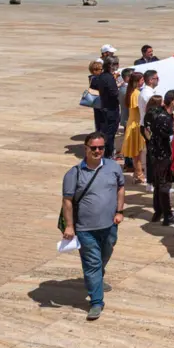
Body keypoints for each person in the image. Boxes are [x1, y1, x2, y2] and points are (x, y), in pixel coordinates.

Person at [61, 131, 125, 321]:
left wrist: (120, 211)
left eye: (101, 147)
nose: (98, 151)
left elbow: (121, 187)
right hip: (85, 228)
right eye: (94, 148)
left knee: (105, 254)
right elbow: (67, 201)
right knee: (92, 263)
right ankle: (96, 301)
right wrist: (69, 226)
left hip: (110, 225)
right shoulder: (74, 173)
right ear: (86, 149)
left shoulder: (113, 167)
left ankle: (97, 279)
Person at [142, 89, 174, 226]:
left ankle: (159, 211)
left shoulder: (153, 114)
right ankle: (167, 214)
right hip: (163, 155)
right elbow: (170, 138)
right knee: (164, 185)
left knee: (158, 184)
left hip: (154, 154)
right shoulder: (164, 118)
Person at [89, 57, 121, 159]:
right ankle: (108, 155)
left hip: (104, 108)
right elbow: (114, 93)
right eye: (116, 64)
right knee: (110, 134)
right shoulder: (109, 77)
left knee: (105, 132)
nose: (117, 65)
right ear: (110, 65)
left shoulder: (102, 76)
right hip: (111, 109)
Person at [120, 71, 146, 184]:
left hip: (133, 122)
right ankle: (139, 174)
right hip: (136, 124)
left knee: (137, 152)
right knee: (137, 153)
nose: (143, 82)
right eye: (141, 80)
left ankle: (137, 173)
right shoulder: (136, 94)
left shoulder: (132, 92)